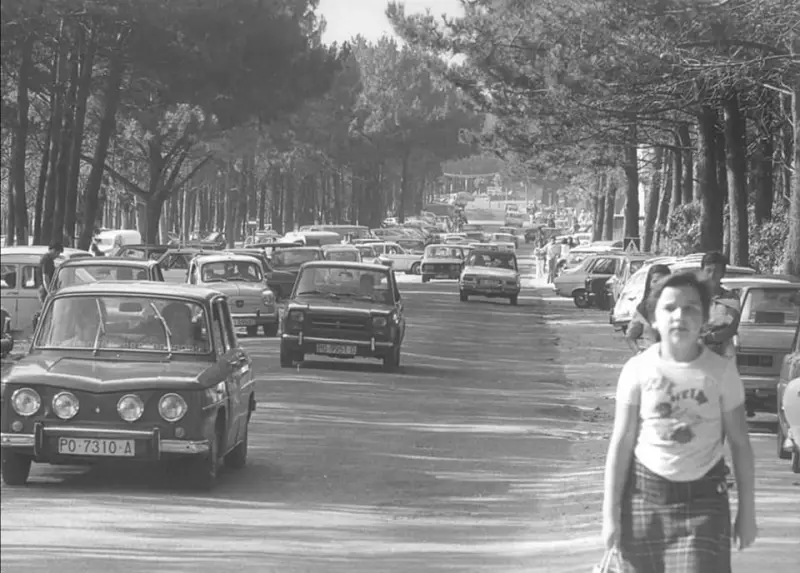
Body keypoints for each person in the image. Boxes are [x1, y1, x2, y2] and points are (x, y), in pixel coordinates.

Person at [602, 272, 757, 572]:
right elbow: (620, 444)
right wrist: (610, 516)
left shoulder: (721, 373)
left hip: (704, 500)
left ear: (705, 318)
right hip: (643, 496)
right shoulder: (637, 370)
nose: (680, 315)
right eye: (670, 307)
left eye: (691, 308)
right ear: (654, 319)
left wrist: (747, 512)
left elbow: (740, 444)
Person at [700, 251, 741, 358]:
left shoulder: (731, 298)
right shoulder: (694, 297)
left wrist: (708, 338)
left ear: (723, 273)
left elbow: (731, 328)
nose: (712, 275)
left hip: (722, 353)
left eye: (716, 271)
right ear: (702, 271)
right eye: (708, 271)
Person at [625, 264, 671, 354]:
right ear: (649, 284)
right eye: (655, 281)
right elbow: (630, 336)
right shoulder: (643, 309)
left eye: (664, 281)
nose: (660, 285)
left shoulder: (678, 307)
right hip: (651, 360)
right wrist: (638, 352)